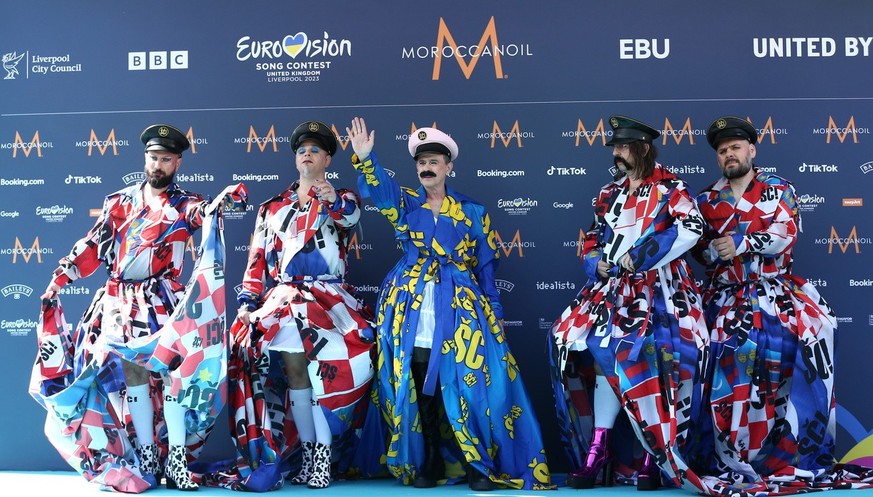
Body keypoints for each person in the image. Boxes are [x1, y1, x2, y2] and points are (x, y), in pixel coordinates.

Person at [33, 124, 247, 492]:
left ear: (177, 162)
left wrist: (227, 201)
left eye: (166, 159)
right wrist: (60, 279)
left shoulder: (186, 203)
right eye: (153, 157)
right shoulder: (118, 203)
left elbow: (208, 212)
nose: (158, 165)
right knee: (132, 375)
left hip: (164, 299)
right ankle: (147, 457)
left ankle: (178, 458)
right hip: (119, 302)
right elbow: (92, 246)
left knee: (172, 375)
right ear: (145, 158)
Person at [345, 117, 552, 491]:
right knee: (419, 380)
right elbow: (380, 193)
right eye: (421, 162)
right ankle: (430, 461)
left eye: (434, 162)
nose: (426, 168)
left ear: (449, 167)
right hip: (411, 305)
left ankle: (475, 463)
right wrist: (366, 159)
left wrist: (497, 313)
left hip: (460, 305)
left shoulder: (474, 212)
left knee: (466, 384)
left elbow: (487, 267)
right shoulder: (405, 206)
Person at [548, 116, 710, 491]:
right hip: (612, 291)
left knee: (657, 365)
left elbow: (692, 228)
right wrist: (595, 262)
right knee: (605, 357)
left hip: (664, 293)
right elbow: (591, 237)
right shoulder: (608, 192)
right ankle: (598, 449)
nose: (617, 154)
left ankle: (656, 457)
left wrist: (642, 256)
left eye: (623, 148)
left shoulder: (673, 188)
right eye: (615, 148)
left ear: (643, 148)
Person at [693, 117, 840, 493]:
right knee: (728, 365)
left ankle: (791, 456)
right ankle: (732, 457)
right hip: (726, 299)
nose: (729, 154)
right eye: (722, 150)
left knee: (802, 351)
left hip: (776, 292)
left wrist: (739, 242)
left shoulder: (780, 189)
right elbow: (697, 252)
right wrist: (712, 248)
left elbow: (785, 232)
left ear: (752, 150)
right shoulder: (706, 199)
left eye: (735, 147)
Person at [226, 120, 375, 491]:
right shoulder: (271, 207)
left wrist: (331, 200)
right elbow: (257, 258)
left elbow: (350, 217)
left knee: (327, 374)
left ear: (327, 158)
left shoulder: (342, 198)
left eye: (315, 149)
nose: (307, 154)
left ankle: (324, 455)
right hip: (286, 297)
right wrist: (247, 298)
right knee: (296, 375)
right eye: (301, 150)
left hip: (330, 300)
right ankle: (311, 456)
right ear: (296, 159)